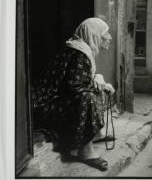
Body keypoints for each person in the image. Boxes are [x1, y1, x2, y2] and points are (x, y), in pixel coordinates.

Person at [33, 18, 115, 171]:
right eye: (106, 33)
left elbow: (76, 81)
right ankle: (85, 150)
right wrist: (100, 84)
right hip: (47, 105)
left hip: (57, 100)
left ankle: (94, 134)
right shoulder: (79, 53)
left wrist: (97, 79)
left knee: (95, 89)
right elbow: (75, 87)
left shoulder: (80, 49)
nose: (109, 37)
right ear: (94, 35)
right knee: (88, 97)